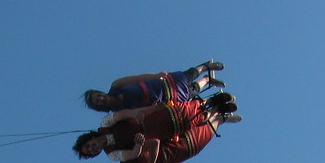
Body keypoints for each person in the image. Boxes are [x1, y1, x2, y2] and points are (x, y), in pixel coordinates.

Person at [98, 100, 240, 163]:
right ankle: (222, 118)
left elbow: (154, 142)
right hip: (176, 155)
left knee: (196, 125)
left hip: (172, 142)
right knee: (205, 135)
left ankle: (216, 107)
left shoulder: (125, 156)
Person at [83, 61, 225, 112]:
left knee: (187, 75)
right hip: (163, 99)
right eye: (97, 101)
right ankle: (207, 80)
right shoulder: (119, 111)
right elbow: (138, 113)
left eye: (98, 96)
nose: (100, 98)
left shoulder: (116, 86)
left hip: (161, 84)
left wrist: (155, 76)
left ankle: (206, 67)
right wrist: (152, 109)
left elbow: (137, 78)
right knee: (191, 92)